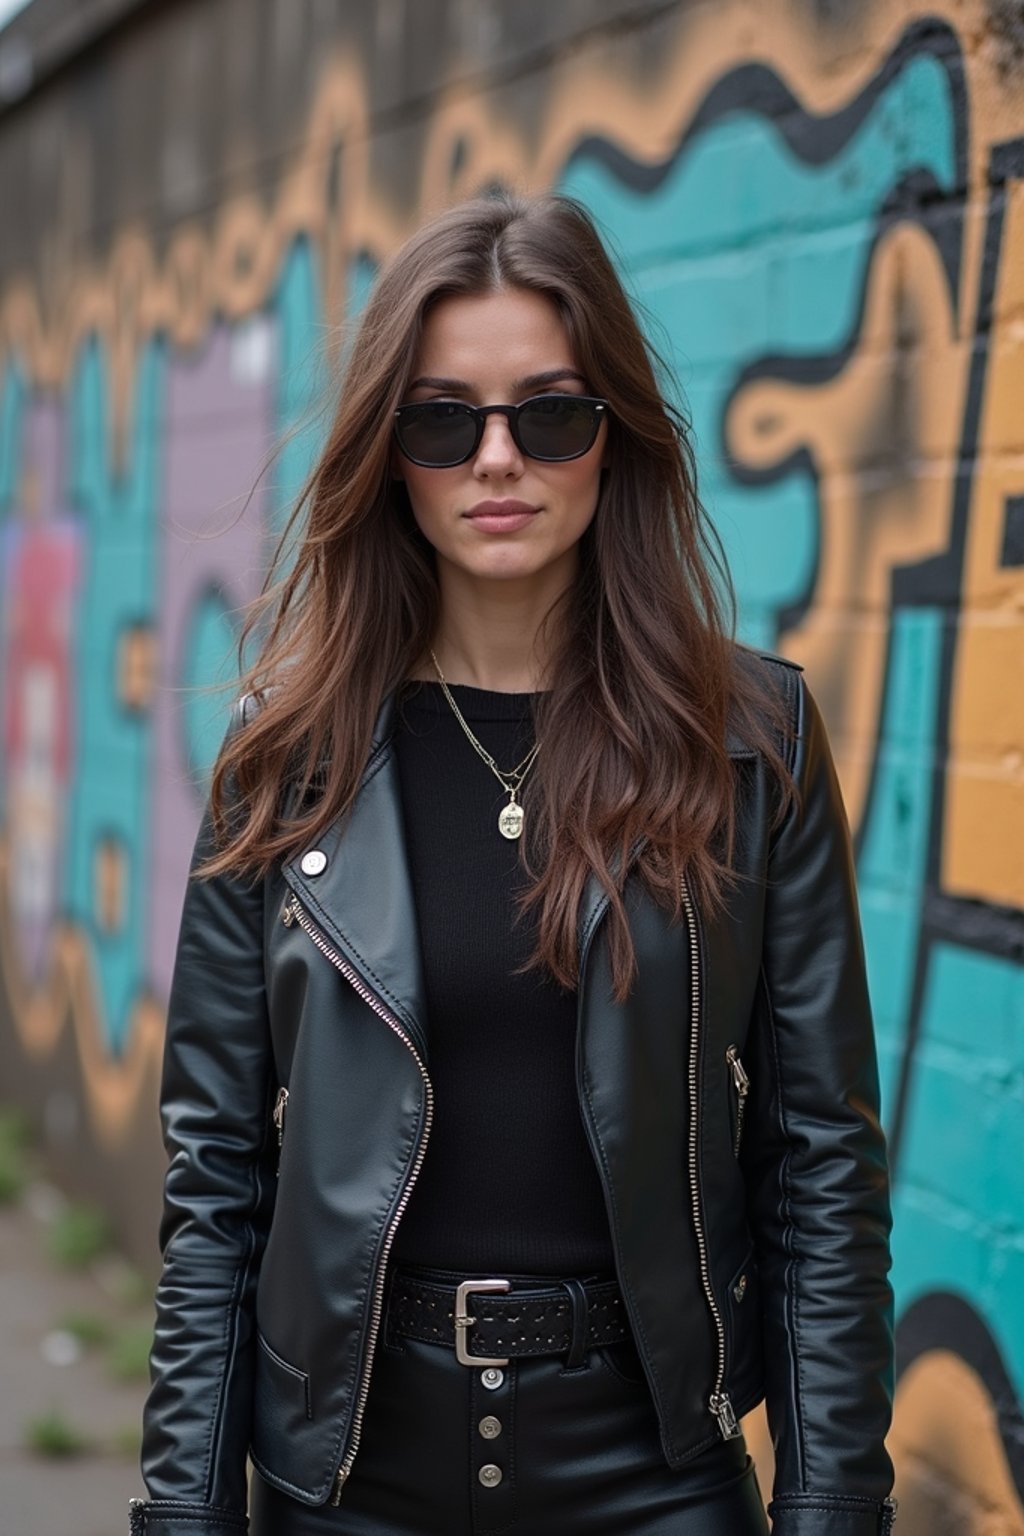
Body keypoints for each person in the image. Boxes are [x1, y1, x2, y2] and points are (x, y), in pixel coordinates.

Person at [129, 192, 897, 1536]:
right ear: (391, 451)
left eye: (549, 413)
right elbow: (215, 1185)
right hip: (352, 1477)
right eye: (443, 420)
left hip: (653, 1473)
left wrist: (834, 1506)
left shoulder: (747, 745)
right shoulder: (285, 758)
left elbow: (821, 1160)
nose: (498, 459)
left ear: (614, 439)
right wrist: (180, 1512)